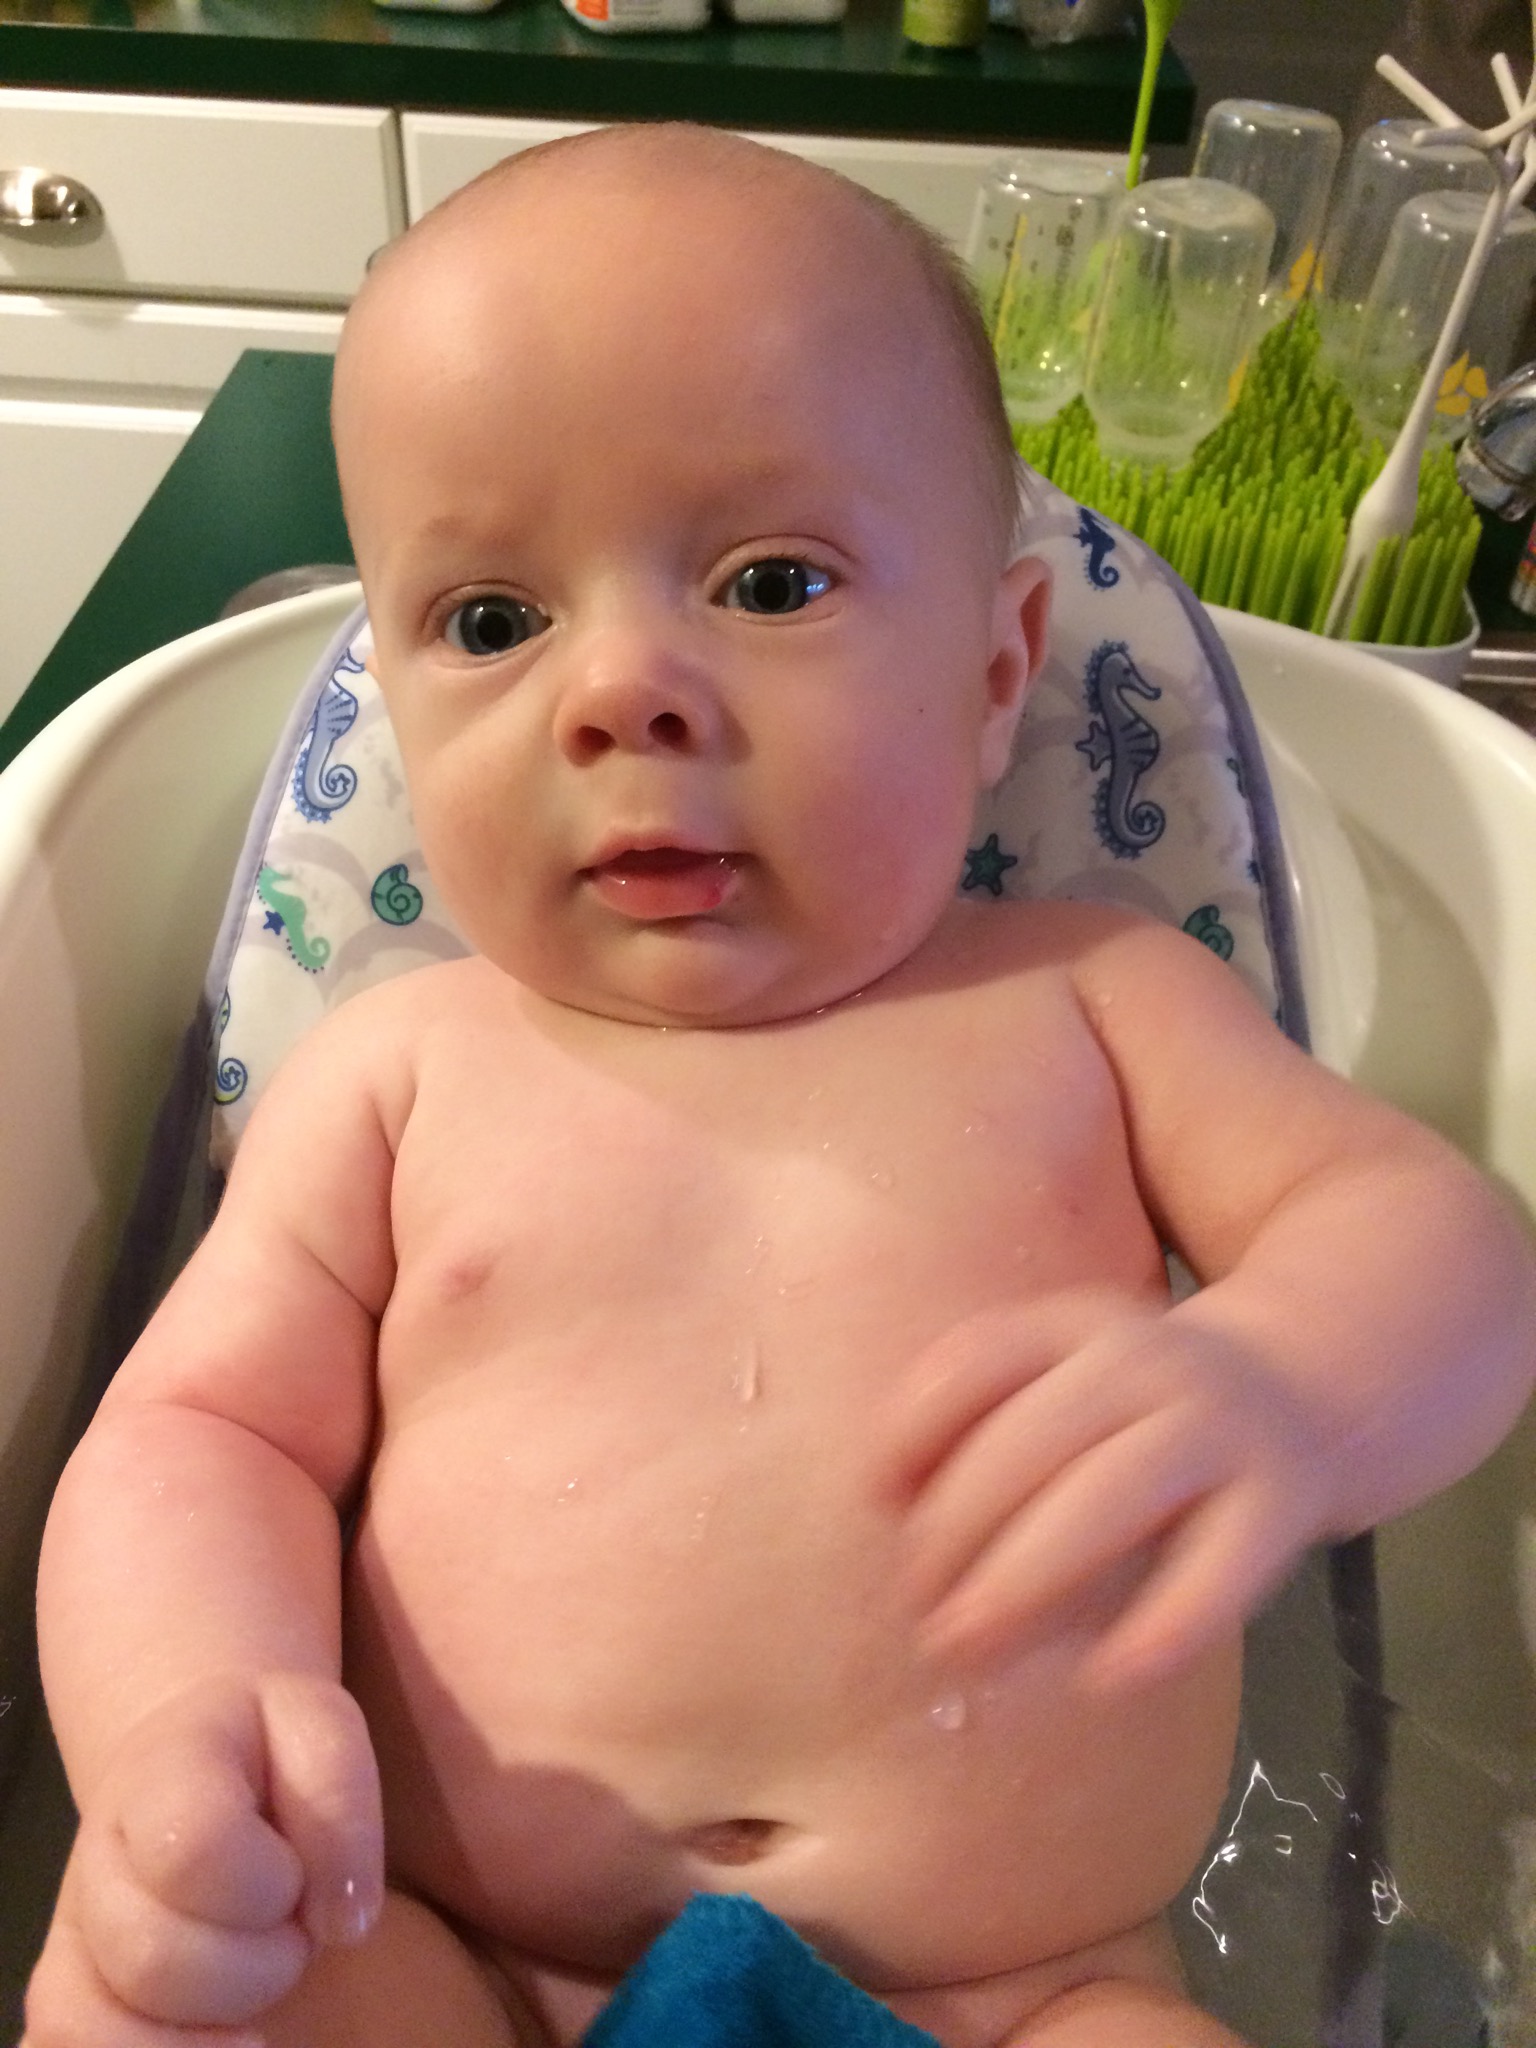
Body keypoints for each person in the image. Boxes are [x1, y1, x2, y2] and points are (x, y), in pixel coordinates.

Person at [22, 123, 1536, 2048]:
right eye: (491, 622)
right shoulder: (393, 1076)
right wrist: (183, 1726)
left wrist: (1294, 1383)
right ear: (395, 702)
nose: (621, 691)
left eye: (771, 581)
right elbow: (199, 1438)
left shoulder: (1098, 1002)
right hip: (449, 1957)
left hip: (1031, 1991)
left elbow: (1431, 1240)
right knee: (178, 2002)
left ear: (996, 674)